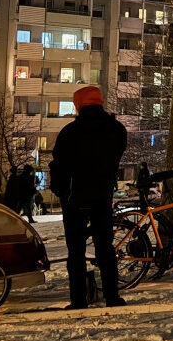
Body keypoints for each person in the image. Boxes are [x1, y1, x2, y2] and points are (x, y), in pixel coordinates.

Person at [50, 86, 128, 309]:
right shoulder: (116, 129)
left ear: (79, 104)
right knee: (105, 248)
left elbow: (59, 166)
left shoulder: (70, 132)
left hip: (74, 199)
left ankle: (78, 299)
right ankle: (112, 296)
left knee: (76, 252)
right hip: (102, 196)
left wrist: (62, 191)